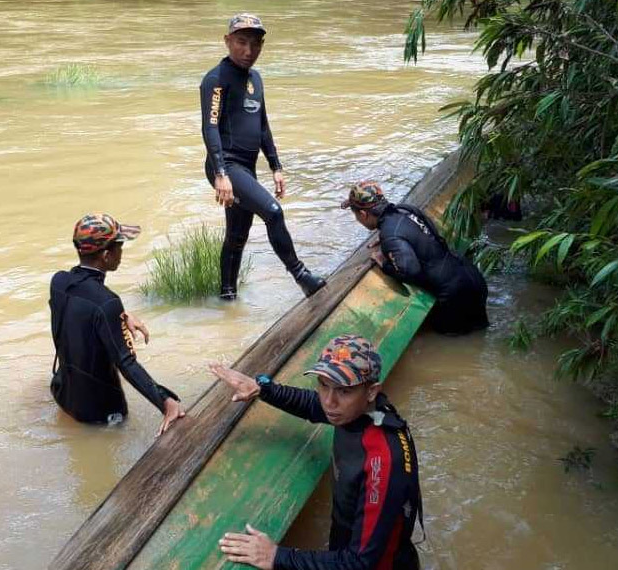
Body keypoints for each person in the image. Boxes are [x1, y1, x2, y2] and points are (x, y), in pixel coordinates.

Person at [210, 334, 422, 570]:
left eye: (343, 390)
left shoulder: (382, 460)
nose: (329, 402)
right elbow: (311, 405)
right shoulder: (356, 412)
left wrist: (276, 556)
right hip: (347, 545)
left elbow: (359, 562)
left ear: (371, 391)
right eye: (323, 384)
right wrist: (262, 388)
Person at [200, 13, 326, 300]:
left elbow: (263, 124)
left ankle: (227, 297)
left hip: (245, 166)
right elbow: (209, 127)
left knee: (237, 236)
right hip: (226, 166)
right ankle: (302, 276)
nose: (248, 51)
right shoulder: (216, 79)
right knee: (273, 212)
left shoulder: (255, 78)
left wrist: (276, 166)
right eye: (241, 42)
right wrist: (221, 174)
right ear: (227, 41)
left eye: (255, 44)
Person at [49, 213, 185, 433]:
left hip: (63, 395)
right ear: (105, 255)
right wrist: (165, 401)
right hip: (102, 414)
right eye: (119, 246)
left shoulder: (59, 282)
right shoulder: (107, 303)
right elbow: (126, 363)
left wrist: (121, 315)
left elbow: (78, 309)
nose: (121, 252)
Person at [343, 181, 489, 335]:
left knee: (456, 347)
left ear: (363, 214)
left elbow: (410, 272)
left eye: (356, 215)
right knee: (480, 336)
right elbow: (425, 234)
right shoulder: (406, 210)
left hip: (454, 296)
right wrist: (390, 239)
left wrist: (384, 263)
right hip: (472, 277)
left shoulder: (391, 235)